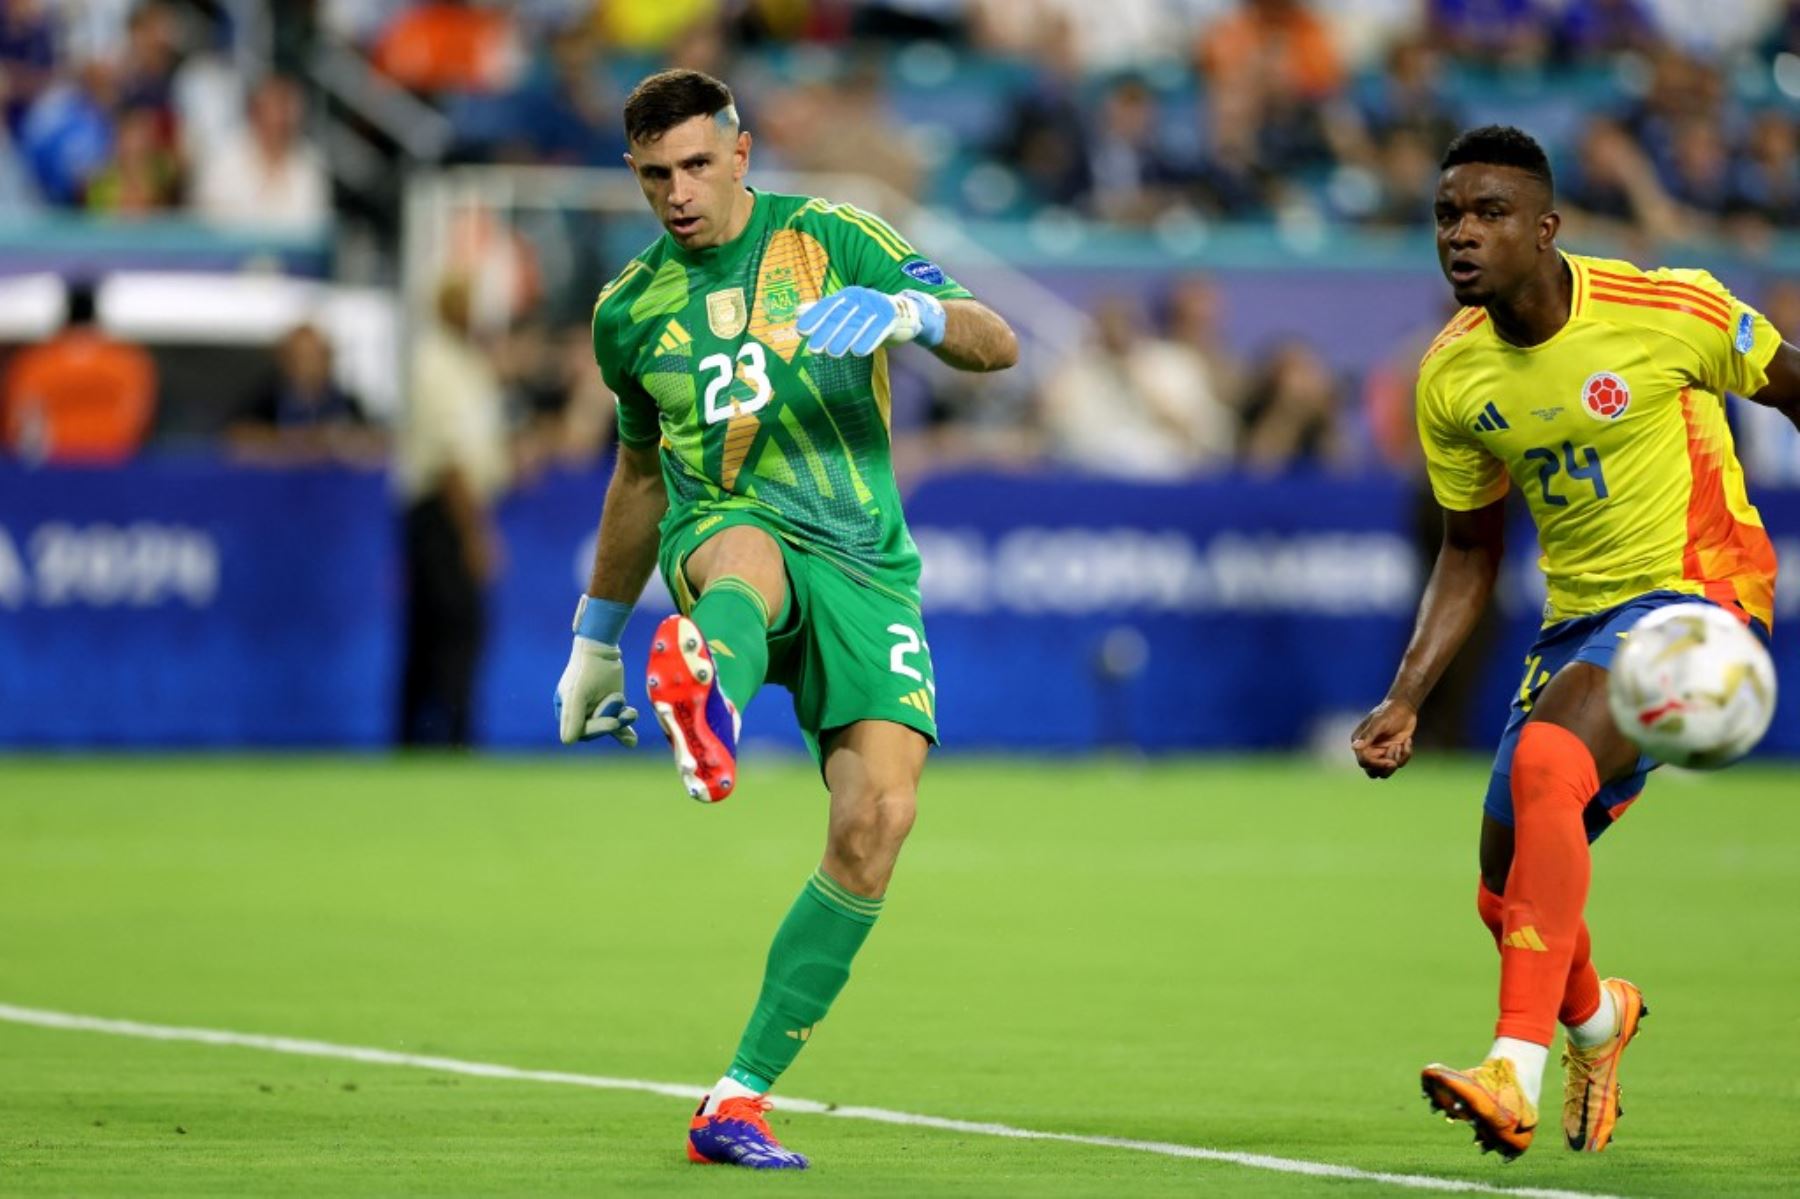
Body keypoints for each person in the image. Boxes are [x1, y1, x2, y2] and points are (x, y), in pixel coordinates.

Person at [552, 69, 1017, 1170]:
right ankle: (700, 674)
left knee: (879, 821)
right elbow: (635, 475)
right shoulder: (628, 311)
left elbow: (996, 341)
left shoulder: (832, 235)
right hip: (726, 529)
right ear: (635, 174)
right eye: (657, 173)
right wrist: (592, 634)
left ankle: (736, 1097)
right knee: (744, 555)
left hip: (868, 566)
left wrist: (914, 312)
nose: (679, 192)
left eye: (699, 165)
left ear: (742, 153)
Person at [1351, 125, 1800, 1160]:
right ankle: (1598, 1021)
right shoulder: (1452, 377)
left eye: (1489, 214)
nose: (1461, 235)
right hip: (1578, 624)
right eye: (1447, 216)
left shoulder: (1669, 306)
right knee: (1503, 892)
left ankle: (1511, 1066)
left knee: (1553, 759)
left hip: (1698, 593)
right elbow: (1470, 550)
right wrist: (1408, 693)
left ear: (1547, 229)